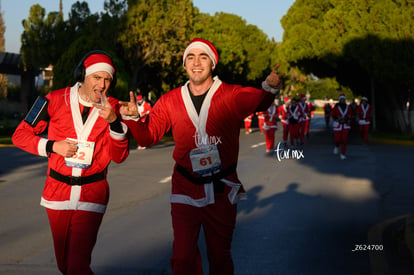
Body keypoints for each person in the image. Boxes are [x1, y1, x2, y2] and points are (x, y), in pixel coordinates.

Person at [120, 38, 283, 275]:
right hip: (184, 187)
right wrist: (133, 119)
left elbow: (257, 100)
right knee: (182, 259)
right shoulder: (169, 100)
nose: (196, 63)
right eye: (191, 57)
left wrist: (270, 88)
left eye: (203, 57)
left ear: (212, 63)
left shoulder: (230, 94)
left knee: (219, 257)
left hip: (222, 189)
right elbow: (146, 138)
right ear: (184, 64)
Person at [12, 51, 129, 274]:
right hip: (57, 193)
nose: (102, 85)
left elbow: (120, 156)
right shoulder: (52, 100)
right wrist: (52, 146)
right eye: (97, 78)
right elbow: (20, 135)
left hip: (92, 194)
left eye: (107, 80)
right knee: (65, 265)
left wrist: (114, 122)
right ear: (83, 75)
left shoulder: (113, 107)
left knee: (78, 266)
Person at [331, 93, 352, 159]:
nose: (342, 100)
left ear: (345, 100)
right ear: (339, 100)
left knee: (344, 140)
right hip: (337, 125)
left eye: (343, 99)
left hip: (345, 125)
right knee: (337, 140)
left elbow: (350, 114)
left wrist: (348, 118)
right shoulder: (336, 107)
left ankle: (343, 154)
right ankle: (337, 146)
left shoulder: (348, 107)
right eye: (341, 99)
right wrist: (337, 118)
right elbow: (333, 115)